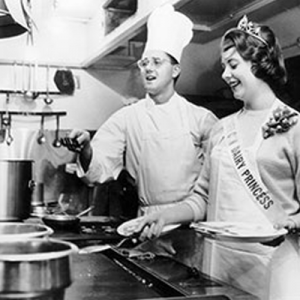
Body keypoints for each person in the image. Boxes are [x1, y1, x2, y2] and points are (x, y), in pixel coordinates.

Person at [136, 15, 300, 300]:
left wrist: (293, 222)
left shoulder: (295, 127)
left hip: (275, 265)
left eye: (233, 65)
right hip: (219, 265)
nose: (225, 74)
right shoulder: (221, 129)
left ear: (260, 64)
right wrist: (164, 215)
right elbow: (202, 200)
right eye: (224, 66)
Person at [63, 4, 218, 217]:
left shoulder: (201, 119)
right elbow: (97, 171)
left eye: (156, 62)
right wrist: (86, 149)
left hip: (190, 220)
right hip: (146, 222)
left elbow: (221, 177)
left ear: (175, 70)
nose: (148, 69)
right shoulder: (128, 117)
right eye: (144, 63)